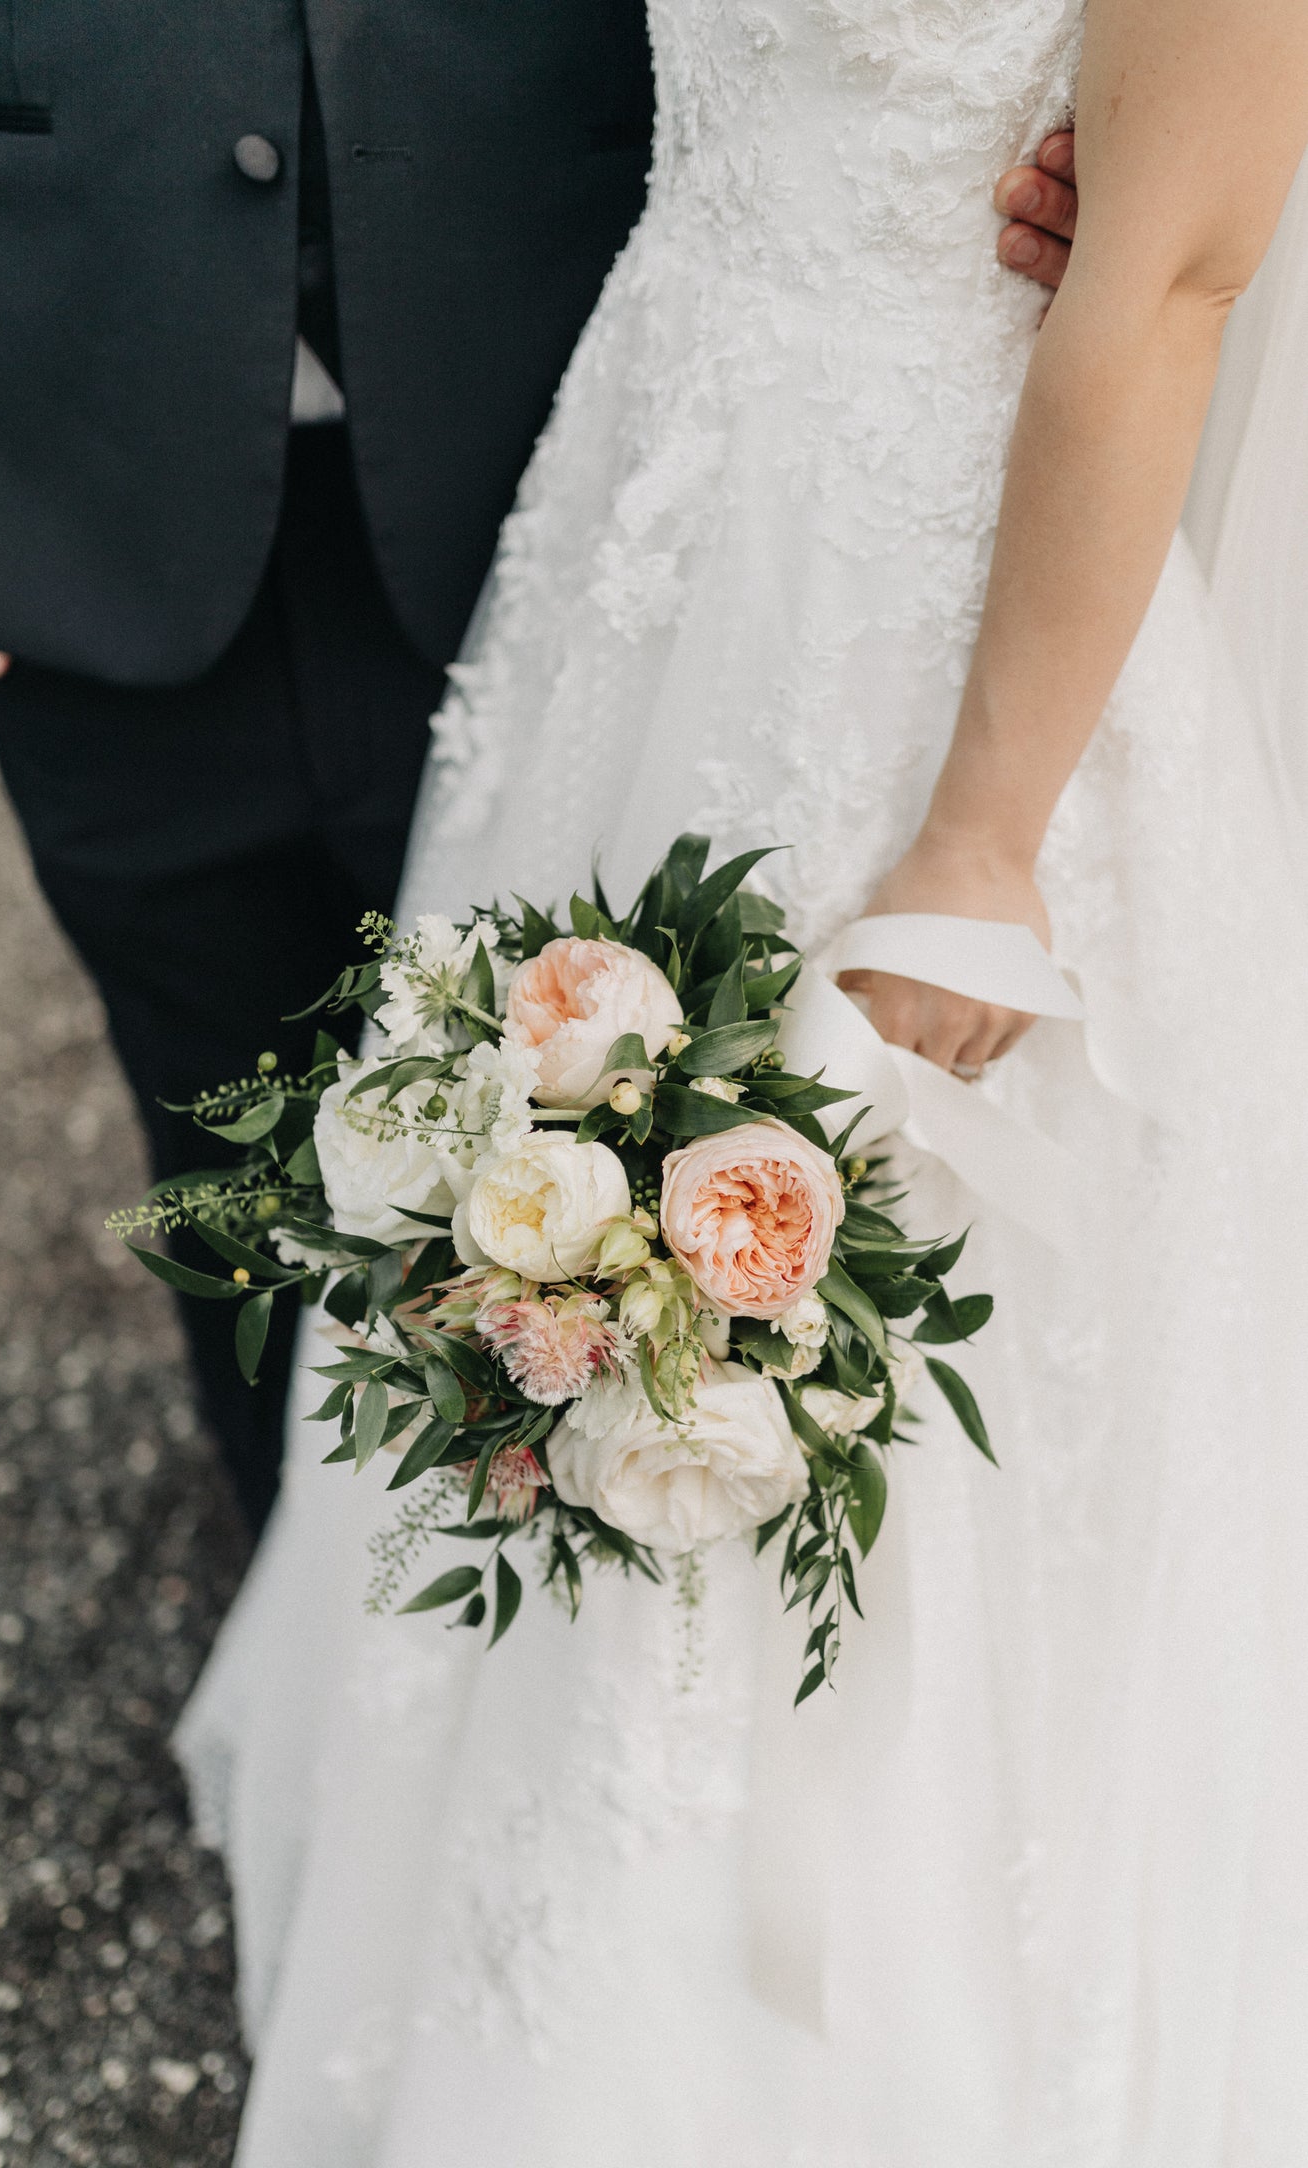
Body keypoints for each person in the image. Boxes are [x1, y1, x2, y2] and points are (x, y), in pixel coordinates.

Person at [176, 0, 1308, 2161]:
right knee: (555, 1229)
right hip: (669, 509)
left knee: (860, 1350)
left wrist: (980, 843)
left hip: (944, 615)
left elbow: (1171, 266)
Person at [0, 2, 654, 1534]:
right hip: (79, 505)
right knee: (223, 1155)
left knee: (590, 1165)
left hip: (542, 504)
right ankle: (294, 1605)